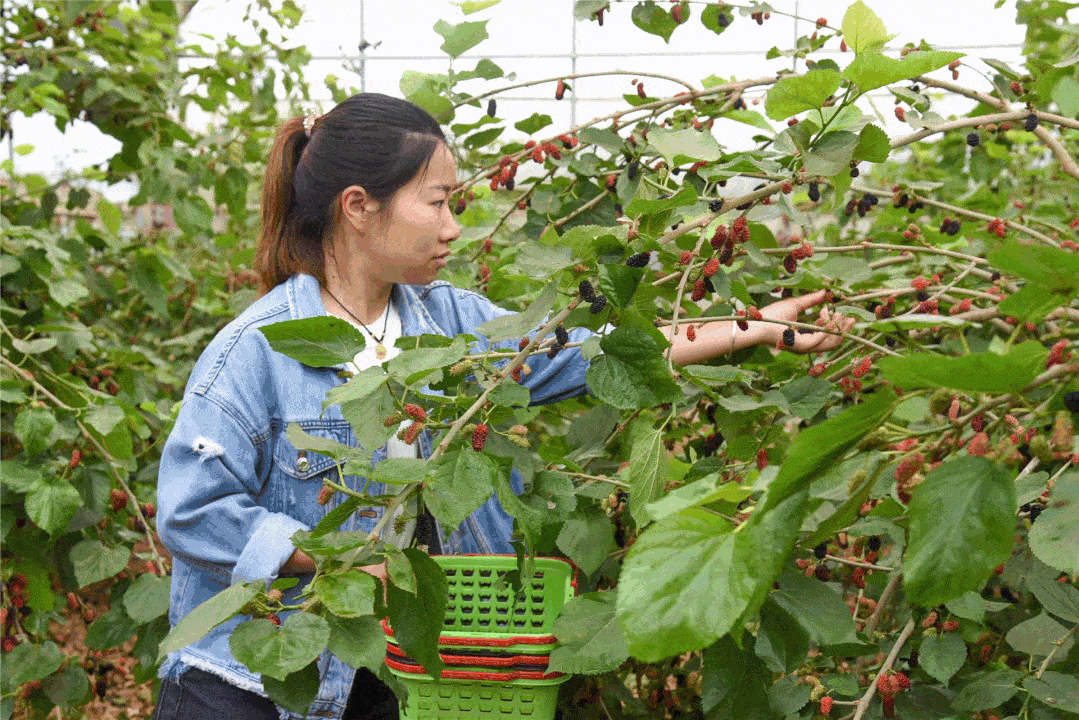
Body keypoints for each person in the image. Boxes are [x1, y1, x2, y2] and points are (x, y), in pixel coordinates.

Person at [154, 93, 850, 720]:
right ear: (359, 206)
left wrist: (755, 325)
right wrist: (341, 565)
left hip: (389, 671)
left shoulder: (450, 321)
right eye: (436, 201)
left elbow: (590, 350)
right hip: (251, 686)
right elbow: (193, 511)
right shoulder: (257, 350)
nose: (453, 226)